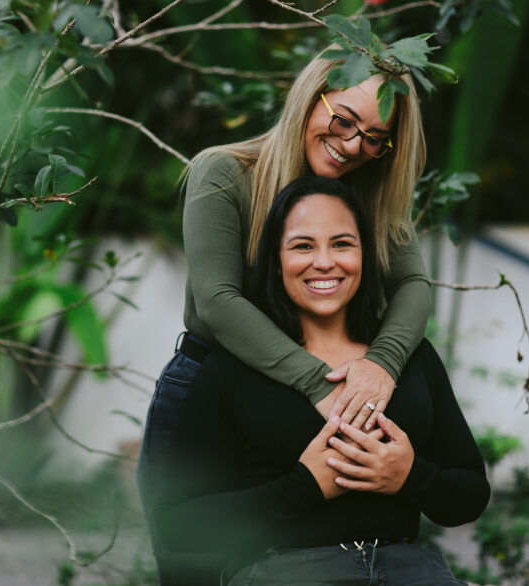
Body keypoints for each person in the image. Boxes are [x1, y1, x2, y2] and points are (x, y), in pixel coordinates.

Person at [138, 53, 431, 583]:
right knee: (197, 563)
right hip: (214, 391)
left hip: (314, 400)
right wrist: (318, 383)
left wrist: (381, 366)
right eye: (343, 120)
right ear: (310, 95)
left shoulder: (369, 195)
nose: (351, 146)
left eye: (374, 138)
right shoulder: (224, 173)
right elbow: (217, 300)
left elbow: (412, 284)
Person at [153, 176, 489, 584]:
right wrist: (303, 487)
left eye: (342, 243)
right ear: (276, 261)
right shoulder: (233, 368)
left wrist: (411, 476)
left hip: (408, 569)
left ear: (366, 254)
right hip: (283, 570)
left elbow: (470, 495)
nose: (325, 261)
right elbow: (178, 524)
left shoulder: (411, 359)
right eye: (303, 245)